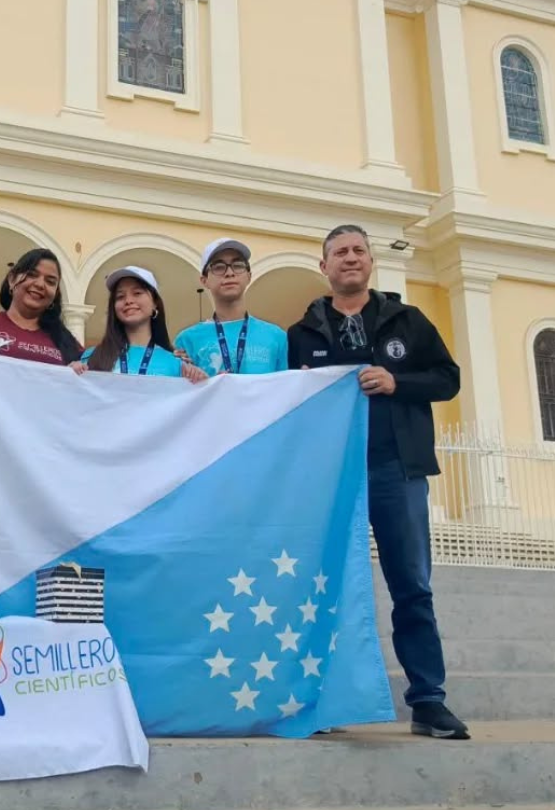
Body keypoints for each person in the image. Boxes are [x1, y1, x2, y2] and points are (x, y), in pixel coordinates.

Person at [288, 224, 468, 740]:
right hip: (330, 478)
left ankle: (429, 701)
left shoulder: (407, 321)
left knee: (412, 587)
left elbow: (448, 378)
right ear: (323, 267)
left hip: (396, 472)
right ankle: (318, 698)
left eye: (358, 250)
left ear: (371, 262)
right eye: (339, 252)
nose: (350, 258)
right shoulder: (301, 334)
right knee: (323, 588)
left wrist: (396, 382)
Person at [175, 238, 288, 377]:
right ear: (204, 281)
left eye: (238, 265)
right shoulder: (187, 340)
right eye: (218, 267)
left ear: (249, 276)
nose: (229, 273)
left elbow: (287, 392)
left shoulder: (277, 337)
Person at [74, 266, 206, 382]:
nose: (128, 300)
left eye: (137, 293)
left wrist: (201, 382)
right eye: (120, 297)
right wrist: (69, 376)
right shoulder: (91, 357)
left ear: (155, 303)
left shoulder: (176, 365)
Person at [0, 248, 82, 365]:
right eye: (32, 275)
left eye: (50, 282)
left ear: (55, 294)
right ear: (12, 279)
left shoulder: (67, 343)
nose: (40, 284)